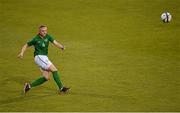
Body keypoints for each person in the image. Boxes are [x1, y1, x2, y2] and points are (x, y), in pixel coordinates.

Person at [18, 25, 70, 94]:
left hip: (44, 57)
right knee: (54, 69)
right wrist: (21, 53)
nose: (44, 32)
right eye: (43, 31)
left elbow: (55, 43)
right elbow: (26, 45)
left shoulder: (48, 36)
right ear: (39, 31)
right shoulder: (35, 39)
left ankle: (28, 86)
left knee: (46, 77)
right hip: (39, 57)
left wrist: (62, 47)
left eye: (45, 30)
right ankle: (61, 88)